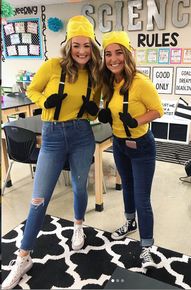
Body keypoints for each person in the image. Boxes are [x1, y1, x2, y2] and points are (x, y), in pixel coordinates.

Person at [2, 15, 101, 290]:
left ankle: (78, 225)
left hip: (82, 135)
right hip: (53, 136)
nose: (82, 51)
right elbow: (32, 89)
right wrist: (46, 100)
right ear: (68, 44)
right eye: (77, 45)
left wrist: (94, 110)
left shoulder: (95, 73)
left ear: (93, 47)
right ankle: (23, 257)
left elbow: (96, 103)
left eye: (87, 46)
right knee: (38, 198)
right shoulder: (52, 66)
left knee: (81, 188)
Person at [98, 31, 164, 269]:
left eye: (118, 53)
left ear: (127, 55)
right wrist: (104, 113)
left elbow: (158, 110)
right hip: (118, 143)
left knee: (142, 198)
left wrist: (136, 121)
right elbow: (109, 107)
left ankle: (146, 246)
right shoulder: (108, 83)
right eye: (108, 54)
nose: (113, 59)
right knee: (126, 187)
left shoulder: (140, 82)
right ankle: (129, 223)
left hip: (142, 147)